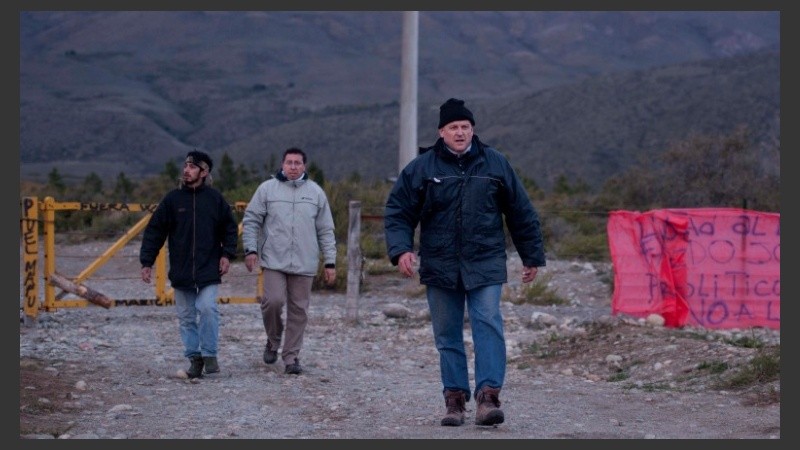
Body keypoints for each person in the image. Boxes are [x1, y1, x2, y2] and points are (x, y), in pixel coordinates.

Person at [384, 98, 546, 427]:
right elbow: (399, 212)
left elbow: (521, 212)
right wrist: (401, 249)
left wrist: (531, 255)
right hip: (440, 263)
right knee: (447, 334)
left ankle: (488, 397)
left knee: (487, 323)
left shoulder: (495, 164)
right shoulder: (421, 168)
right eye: (454, 127)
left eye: (465, 127)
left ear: (473, 130)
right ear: (441, 132)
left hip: (485, 260)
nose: (460, 132)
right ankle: (454, 400)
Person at [139, 150, 239, 379]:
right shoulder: (172, 200)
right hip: (182, 270)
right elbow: (155, 231)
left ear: (204, 172)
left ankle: (210, 354)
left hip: (208, 268)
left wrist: (227, 255)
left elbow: (230, 229)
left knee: (207, 308)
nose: (186, 170)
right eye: (185, 166)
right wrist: (147, 261)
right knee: (185, 317)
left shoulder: (215, 200)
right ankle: (195, 359)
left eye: (192, 167)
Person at [242, 147, 337, 375]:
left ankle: (291, 356)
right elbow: (252, 220)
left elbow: (326, 230)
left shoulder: (315, 193)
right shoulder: (267, 189)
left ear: (304, 166)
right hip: (274, 259)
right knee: (272, 301)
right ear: (282, 165)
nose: (293, 167)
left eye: (297, 163)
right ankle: (273, 340)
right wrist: (250, 249)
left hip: (305, 262)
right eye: (289, 162)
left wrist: (330, 262)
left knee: (299, 310)